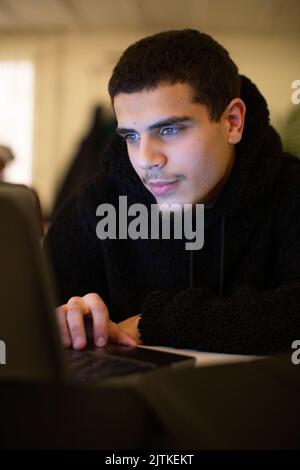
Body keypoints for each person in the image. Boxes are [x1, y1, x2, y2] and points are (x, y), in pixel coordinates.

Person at [45, 29, 300, 354]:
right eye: (131, 137)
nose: (146, 160)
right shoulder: (93, 207)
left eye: (169, 129)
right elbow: (32, 320)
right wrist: (62, 322)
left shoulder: (291, 192)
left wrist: (154, 323)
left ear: (233, 122)